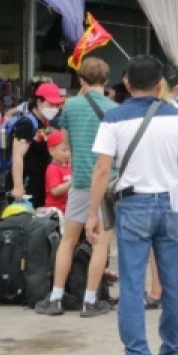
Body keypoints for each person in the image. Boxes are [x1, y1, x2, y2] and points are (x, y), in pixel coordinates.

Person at [87, 55, 178, 355]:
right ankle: (173, 350)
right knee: (173, 280)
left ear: (126, 84)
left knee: (133, 280)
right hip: (172, 205)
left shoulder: (114, 118)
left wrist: (92, 213)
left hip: (133, 205)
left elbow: (102, 169)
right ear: (160, 84)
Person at [37, 57, 117, 319]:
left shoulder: (70, 106)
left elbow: (68, 143)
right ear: (106, 81)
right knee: (100, 244)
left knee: (68, 241)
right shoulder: (115, 109)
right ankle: (90, 300)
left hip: (80, 180)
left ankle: (57, 296)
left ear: (81, 80)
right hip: (106, 184)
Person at [10, 82, 63, 207]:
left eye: (57, 104)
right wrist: (18, 186)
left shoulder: (45, 122)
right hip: (27, 182)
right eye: (51, 104)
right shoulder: (27, 124)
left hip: (39, 180)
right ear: (39, 102)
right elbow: (17, 155)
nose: (55, 108)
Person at [44, 130, 73, 215]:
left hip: (67, 210)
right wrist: (72, 182)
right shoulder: (52, 169)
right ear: (52, 151)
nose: (68, 153)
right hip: (56, 211)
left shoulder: (68, 166)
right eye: (64, 150)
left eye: (69, 150)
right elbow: (55, 191)